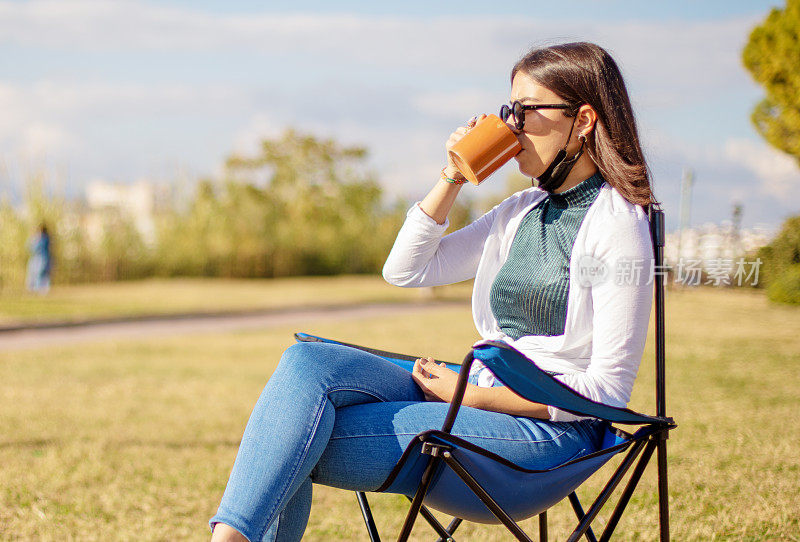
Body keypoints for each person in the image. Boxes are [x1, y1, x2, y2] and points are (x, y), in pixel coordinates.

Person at [209, 41, 656, 542]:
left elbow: (607, 393)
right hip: (465, 396)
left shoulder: (618, 225)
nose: (511, 126)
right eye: (509, 111)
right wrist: (453, 174)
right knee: (306, 363)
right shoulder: (519, 211)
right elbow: (406, 269)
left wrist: (479, 398)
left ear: (584, 120)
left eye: (526, 112)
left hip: (542, 439)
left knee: (293, 441)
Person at [26, 224, 52, 294]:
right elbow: (29, 247)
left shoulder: (44, 239)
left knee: (40, 274)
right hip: (37, 258)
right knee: (34, 274)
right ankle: (36, 289)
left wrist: (34, 239)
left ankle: (40, 290)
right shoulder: (41, 239)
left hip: (41, 258)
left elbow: (34, 248)